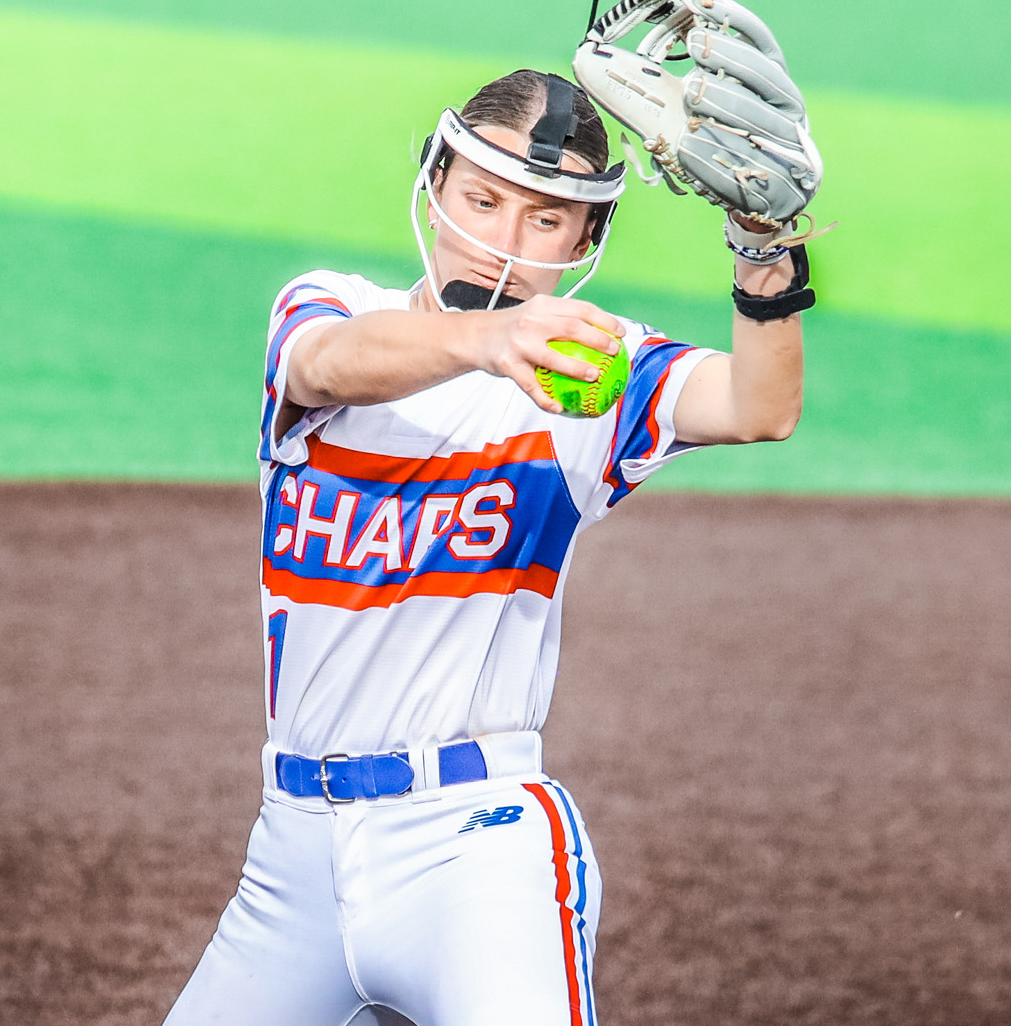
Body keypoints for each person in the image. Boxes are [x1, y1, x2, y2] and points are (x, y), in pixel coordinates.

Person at [162, 65, 814, 1025]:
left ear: (586, 237)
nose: (502, 244)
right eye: (481, 198)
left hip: (473, 847)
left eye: (545, 220)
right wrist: (487, 342)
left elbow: (759, 407)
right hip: (291, 851)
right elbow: (325, 364)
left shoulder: (590, 370)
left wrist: (766, 251)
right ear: (434, 188)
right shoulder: (330, 307)